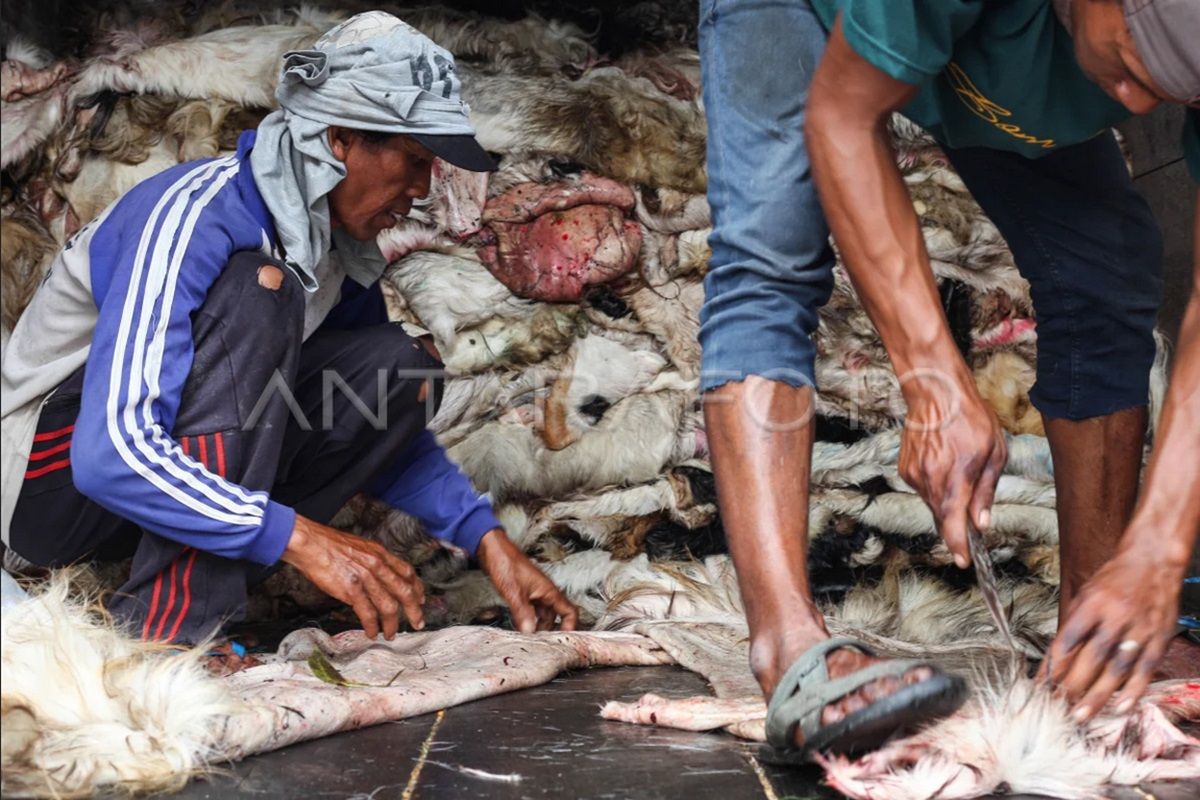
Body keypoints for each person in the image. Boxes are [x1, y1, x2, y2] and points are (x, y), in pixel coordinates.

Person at [699, 0, 1198, 756]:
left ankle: (1093, 639)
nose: (1137, 102)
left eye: (1174, 91)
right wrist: (933, 382)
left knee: (1106, 264)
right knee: (773, 250)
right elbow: (840, 120)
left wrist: (1156, 553)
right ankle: (790, 652)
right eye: (1132, 64)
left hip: (970, 43)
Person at [0, 11, 578, 665]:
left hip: (134, 504)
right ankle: (172, 632)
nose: (421, 190)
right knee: (259, 290)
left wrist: (487, 540)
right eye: (413, 161)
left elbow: (367, 412)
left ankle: (173, 582)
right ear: (338, 138)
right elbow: (110, 455)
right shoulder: (197, 217)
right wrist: (299, 538)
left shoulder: (332, 253)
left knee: (398, 364)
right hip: (48, 487)